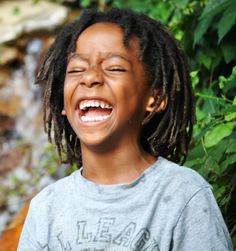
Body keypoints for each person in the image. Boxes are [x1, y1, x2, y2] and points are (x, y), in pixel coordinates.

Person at [17, 8, 233, 251]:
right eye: (76, 70)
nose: (89, 78)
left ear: (155, 97)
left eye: (114, 68)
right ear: (63, 103)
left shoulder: (183, 195)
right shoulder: (46, 207)